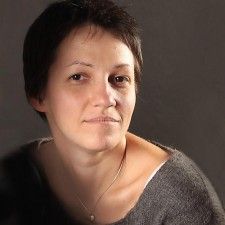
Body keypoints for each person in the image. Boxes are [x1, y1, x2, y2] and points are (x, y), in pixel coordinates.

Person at [0, 0, 224, 224]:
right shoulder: (13, 180)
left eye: (119, 79)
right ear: (38, 94)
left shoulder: (180, 199)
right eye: (78, 77)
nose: (107, 99)